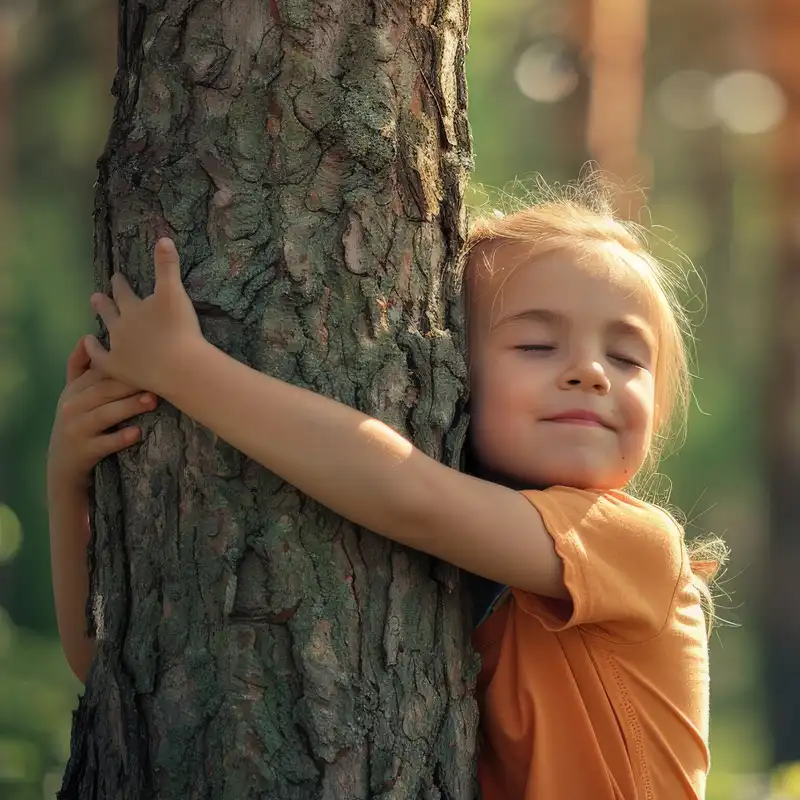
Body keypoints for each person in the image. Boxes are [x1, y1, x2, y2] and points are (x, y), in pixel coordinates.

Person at [48, 182, 724, 799]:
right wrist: (67, 484)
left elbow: (411, 498)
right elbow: (119, 670)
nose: (590, 373)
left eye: (627, 357)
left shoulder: (635, 544)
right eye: (537, 346)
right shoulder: (475, 572)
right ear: (448, 377)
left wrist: (187, 373)